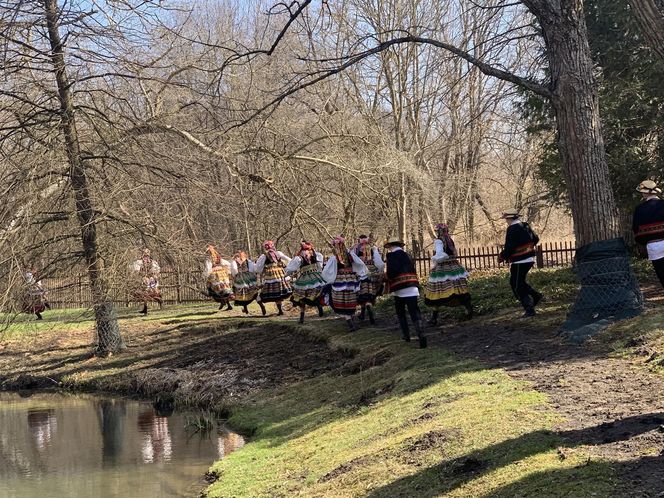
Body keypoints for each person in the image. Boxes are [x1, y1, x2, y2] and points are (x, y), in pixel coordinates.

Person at [498, 208, 543, 318]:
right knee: (517, 282)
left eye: (506, 219)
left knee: (517, 286)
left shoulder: (512, 228)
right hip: (530, 259)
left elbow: (510, 247)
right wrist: (528, 248)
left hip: (520, 261)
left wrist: (502, 256)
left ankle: (529, 310)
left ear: (509, 218)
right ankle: (536, 295)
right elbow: (536, 239)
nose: (505, 221)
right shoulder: (525, 225)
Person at [424, 223, 473, 325]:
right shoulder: (449, 240)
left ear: (439, 231)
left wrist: (434, 261)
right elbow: (454, 254)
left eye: (437, 231)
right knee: (458, 288)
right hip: (454, 267)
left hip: (442, 268)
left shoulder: (438, 241)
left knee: (437, 291)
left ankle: (434, 318)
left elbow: (440, 255)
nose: (436, 232)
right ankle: (469, 310)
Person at [384, 237, 426, 348]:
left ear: (391, 246)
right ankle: (421, 335)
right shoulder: (408, 255)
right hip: (412, 286)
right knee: (415, 312)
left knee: (401, 312)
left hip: (399, 288)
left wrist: (386, 278)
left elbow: (391, 272)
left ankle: (406, 336)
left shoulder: (391, 256)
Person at [322, 236, 368, 331]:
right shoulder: (350, 254)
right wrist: (360, 272)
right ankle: (352, 321)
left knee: (341, 301)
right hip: (351, 280)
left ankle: (351, 324)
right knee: (350, 298)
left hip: (339, 281)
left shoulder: (334, 258)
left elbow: (328, 271)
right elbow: (359, 263)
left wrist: (327, 279)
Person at [633, 179, 664, 288]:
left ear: (645, 193)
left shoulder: (639, 210)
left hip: (654, 247)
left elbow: (637, 231)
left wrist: (643, 242)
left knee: (662, 275)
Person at [286, 241, 327, 323]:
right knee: (316, 293)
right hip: (316, 275)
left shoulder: (299, 257)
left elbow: (291, 268)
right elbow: (320, 266)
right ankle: (319, 308)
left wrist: (286, 274)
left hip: (304, 277)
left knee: (301, 296)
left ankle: (302, 316)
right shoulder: (316, 254)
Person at [352, 235, 384, 324]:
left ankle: (364, 312)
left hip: (360, 273)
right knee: (370, 293)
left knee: (362, 294)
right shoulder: (373, 248)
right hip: (372, 273)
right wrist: (380, 270)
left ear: (359, 239)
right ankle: (365, 312)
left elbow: (352, 260)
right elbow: (378, 261)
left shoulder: (355, 248)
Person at [255, 240, 292, 315]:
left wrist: (261, 271)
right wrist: (287, 268)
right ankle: (281, 310)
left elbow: (258, 268)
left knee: (274, 292)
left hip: (270, 274)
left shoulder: (264, 255)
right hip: (279, 273)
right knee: (280, 291)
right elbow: (289, 259)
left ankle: (280, 310)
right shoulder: (278, 253)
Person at [231, 250, 266, 315]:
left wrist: (235, 276)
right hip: (250, 278)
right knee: (254, 292)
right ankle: (261, 305)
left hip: (240, 279)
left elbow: (234, 271)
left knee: (243, 294)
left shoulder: (234, 261)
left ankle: (246, 309)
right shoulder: (248, 261)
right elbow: (253, 269)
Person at [130, 249, 162, 315]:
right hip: (145, 278)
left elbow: (156, 270)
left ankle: (158, 299)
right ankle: (145, 308)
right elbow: (137, 271)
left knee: (148, 292)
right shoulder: (140, 262)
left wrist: (152, 275)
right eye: (144, 253)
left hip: (150, 279)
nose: (145, 254)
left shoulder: (152, 262)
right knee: (144, 293)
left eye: (146, 253)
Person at [204, 244, 234, 311]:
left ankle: (223, 302)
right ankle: (227, 304)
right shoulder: (218, 256)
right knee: (224, 289)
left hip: (215, 275)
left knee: (212, 289)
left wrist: (207, 274)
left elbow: (208, 267)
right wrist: (226, 270)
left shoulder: (208, 258)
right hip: (222, 274)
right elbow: (226, 263)